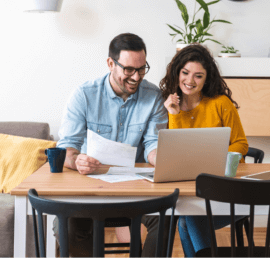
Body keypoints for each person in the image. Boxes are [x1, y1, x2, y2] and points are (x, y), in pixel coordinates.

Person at [54, 33, 176, 258]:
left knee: (166, 219)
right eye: (129, 69)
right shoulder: (84, 95)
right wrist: (76, 160)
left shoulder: (154, 97)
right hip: (92, 189)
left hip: (136, 190)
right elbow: (68, 148)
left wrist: (163, 160)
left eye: (142, 69)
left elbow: (152, 144)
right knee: (68, 227)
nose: (136, 77)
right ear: (111, 63)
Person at [159, 43, 249, 258]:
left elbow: (241, 144)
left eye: (198, 76)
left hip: (226, 191)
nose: (190, 81)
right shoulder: (171, 105)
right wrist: (174, 114)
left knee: (189, 218)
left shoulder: (220, 103)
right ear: (177, 72)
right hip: (193, 191)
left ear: (207, 78)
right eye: (185, 73)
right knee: (186, 220)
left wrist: (217, 159)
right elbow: (176, 151)